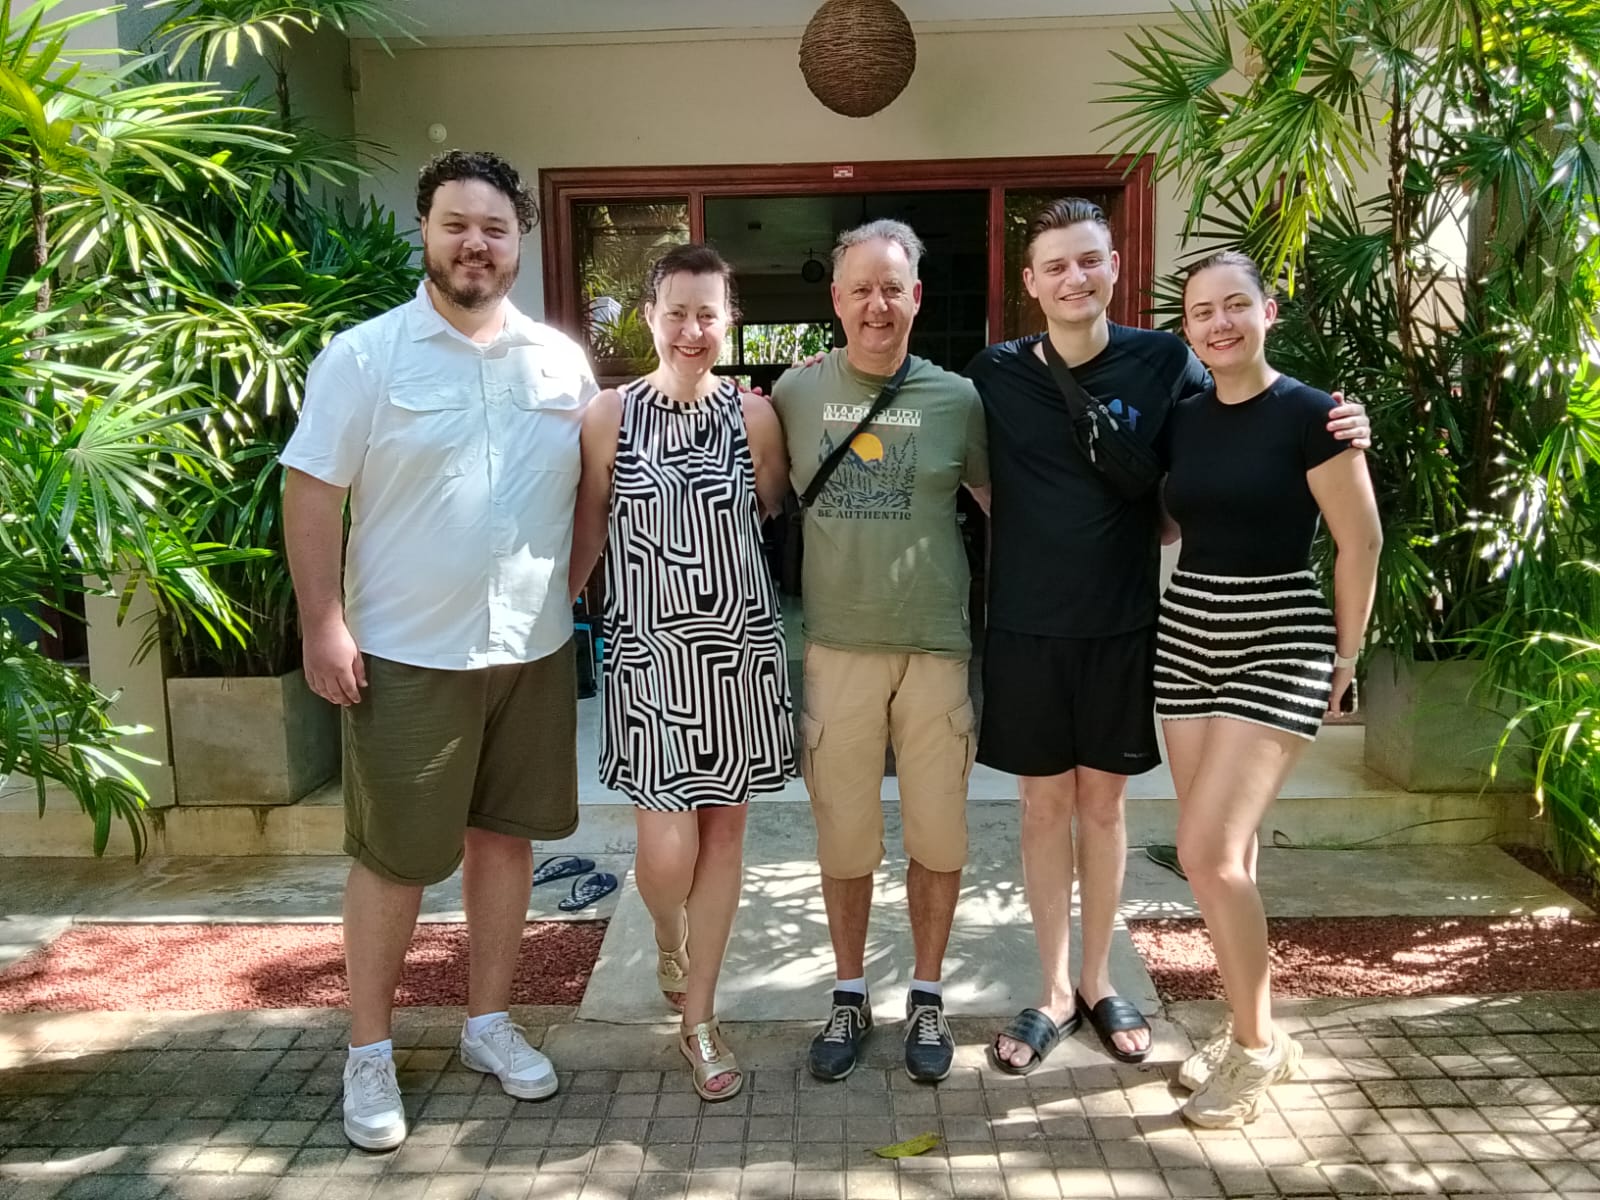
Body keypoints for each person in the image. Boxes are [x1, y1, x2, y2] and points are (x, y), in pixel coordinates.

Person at [965, 198, 1371, 1074]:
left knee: (1105, 809)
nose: (1076, 278)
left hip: (1128, 626)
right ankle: (1050, 990)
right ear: (1030, 284)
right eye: (1056, 266)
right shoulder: (994, 373)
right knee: (1042, 809)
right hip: (1027, 627)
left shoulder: (1165, 360)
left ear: (1113, 266)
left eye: (1090, 260)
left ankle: (1103, 979)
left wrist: (1342, 424)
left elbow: (1247, 412)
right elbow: (964, 470)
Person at [281, 150, 596, 1151]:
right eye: (457, 223)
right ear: (426, 230)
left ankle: (488, 1024)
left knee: (505, 840)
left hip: (530, 650)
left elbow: (589, 490)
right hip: (408, 656)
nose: (476, 243)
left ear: (519, 243)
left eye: (495, 228)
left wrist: (575, 583)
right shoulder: (365, 357)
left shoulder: (558, 361)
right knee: (394, 859)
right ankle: (368, 1051)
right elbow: (313, 491)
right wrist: (322, 622)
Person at [1158, 249, 1380, 1126]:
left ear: (1267, 311)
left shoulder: (1314, 414)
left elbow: (1359, 542)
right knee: (1228, 862)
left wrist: (1348, 657)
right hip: (1189, 634)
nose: (1219, 323)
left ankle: (1255, 1050)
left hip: (1281, 637)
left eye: (1235, 306)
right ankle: (1254, 1026)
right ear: (1188, 330)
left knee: (1205, 853)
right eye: (1202, 312)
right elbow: (1167, 512)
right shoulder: (1183, 418)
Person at [569, 243, 794, 1102]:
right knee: (666, 852)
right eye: (677, 311)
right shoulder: (610, 415)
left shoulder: (754, 417)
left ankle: (698, 1018)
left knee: (725, 836)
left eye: (709, 312)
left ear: (727, 320)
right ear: (650, 317)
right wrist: (561, 611)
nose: (693, 328)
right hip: (647, 657)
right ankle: (668, 930)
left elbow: (771, 506)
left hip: (736, 654)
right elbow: (590, 526)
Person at [771, 219, 990, 1085]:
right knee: (846, 841)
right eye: (860, 288)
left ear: (916, 298)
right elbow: (744, 495)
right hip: (837, 651)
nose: (876, 305)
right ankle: (850, 991)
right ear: (835, 299)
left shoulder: (958, 400)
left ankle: (928, 996)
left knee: (938, 836)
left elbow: (1006, 501)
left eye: (892, 288)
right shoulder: (790, 394)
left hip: (936, 650)